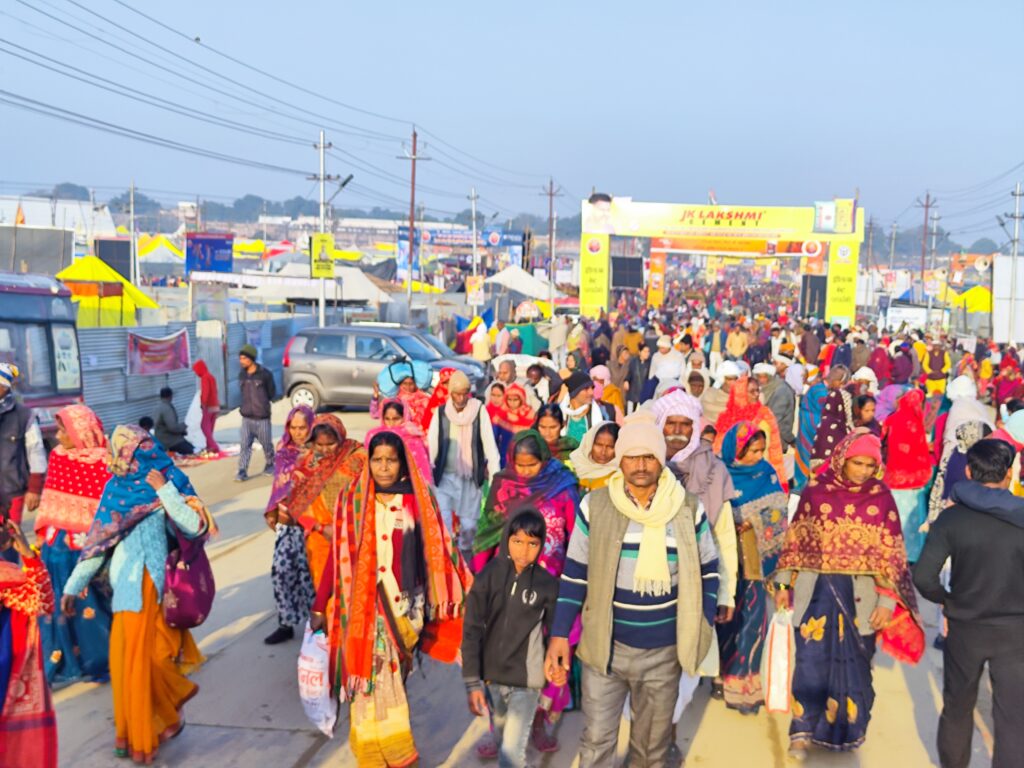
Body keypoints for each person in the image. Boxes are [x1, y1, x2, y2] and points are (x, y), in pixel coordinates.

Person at [545, 414, 719, 767]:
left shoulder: (686, 508)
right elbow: (576, 572)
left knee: (650, 750)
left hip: (664, 652)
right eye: (632, 457)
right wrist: (560, 633)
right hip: (605, 649)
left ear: (660, 459)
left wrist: (702, 622)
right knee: (596, 743)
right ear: (619, 460)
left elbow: (708, 570)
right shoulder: (596, 507)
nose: (640, 466)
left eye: (649, 457)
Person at [310, 429, 471, 768]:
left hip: (404, 611)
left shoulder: (418, 499)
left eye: (390, 460)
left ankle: (380, 749)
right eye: (377, 460)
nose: (383, 467)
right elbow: (335, 560)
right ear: (368, 462)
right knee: (373, 679)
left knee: (390, 679)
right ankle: (389, 752)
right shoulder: (352, 501)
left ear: (403, 463)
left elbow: (440, 551)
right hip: (362, 609)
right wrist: (318, 604)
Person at [62, 426, 209, 764]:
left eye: (143, 445)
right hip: (126, 592)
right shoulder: (115, 489)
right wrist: (73, 586)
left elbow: (194, 526)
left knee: (155, 660)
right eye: (131, 448)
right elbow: (98, 544)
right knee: (128, 666)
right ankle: (141, 732)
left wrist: (166, 491)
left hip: (158, 589)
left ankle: (168, 713)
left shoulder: (170, 480)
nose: (140, 453)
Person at [776, 429, 924, 760]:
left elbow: (893, 556)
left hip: (862, 596)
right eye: (857, 463)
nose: (863, 472)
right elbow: (796, 540)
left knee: (856, 664)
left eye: (871, 466)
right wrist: (784, 585)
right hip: (816, 591)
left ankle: (844, 730)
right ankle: (801, 730)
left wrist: (887, 602)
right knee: (810, 663)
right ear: (843, 460)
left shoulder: (881, 498)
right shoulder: (816, 492)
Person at [913, 439, 1024, 768]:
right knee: (1013, 716)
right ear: (1008, 473)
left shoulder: (952, 519)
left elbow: (923, 578)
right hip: (1016, 632)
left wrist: (947, 602)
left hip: (965, 626)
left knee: (958, 707)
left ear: (967, 470)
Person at [473, 430, 582, 750]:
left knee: (552, 658)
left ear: (544, 460)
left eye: (531, 465)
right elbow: (486, 535)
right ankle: (500, 728)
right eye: (519, 465)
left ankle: (540, 722)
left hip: (553, 589)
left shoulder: (562, 486)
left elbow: (577, 537)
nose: (524, 472)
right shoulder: (502, 485)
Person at [463, 508, 559, 768]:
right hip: (492, 677)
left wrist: (555, 669)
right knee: (503, 733)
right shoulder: (489, 576)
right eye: (517, 541)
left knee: (510, 754)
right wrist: (473, 682)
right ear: (506, 539)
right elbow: (471, 628)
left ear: (541, 545)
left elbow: (556, 635)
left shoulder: (547, 584)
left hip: (527, 681)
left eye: (532, 543)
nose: (524, 550)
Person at [33, 405, 112, 683]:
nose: (58, 436)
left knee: (91, 605)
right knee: (57, 604)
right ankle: (66, 657)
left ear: (81, 432)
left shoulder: (105, 462)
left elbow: (108, 511)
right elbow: (51, 500)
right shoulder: (58, 457)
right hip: (56, 548)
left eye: (63, 430)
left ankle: (99, 656)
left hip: (87, 550)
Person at [716, 422, 789, 713]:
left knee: (752, 621)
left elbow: (779, 511)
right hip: (726, 558)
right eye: (751, 451)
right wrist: (730, 522)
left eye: (761, 450)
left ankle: (745, 685)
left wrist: (753, 521)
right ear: (737, 449)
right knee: (725, 619)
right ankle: (720, 675)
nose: (758, 456)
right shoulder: (720, 474)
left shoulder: (767, 473)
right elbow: (710, 509)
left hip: (756, 560)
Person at [285, 414, 366, 592]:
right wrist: (320, 528)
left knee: (354, 585)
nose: (325, 449)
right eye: (319, 445)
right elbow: (295, 505)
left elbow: (365, 495)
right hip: (319, 536)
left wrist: (341, 528)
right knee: (324, 587)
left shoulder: (357, 457)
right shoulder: (305, 464)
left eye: (330, 444)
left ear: (341, 437)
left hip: (352, 531)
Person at [1, 519, 57, 768]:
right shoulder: (7, 574)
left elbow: (40, 602)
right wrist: (29, 557)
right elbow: (42, 602)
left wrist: (28, 557)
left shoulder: (7, 575)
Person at [428, 370, 502, 552]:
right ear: (450, 393)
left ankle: (464, 559)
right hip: (445, 477)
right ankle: (449, 562)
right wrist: (429, 476)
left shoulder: (478, 411)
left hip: (470, 479)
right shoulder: (440, 413)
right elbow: (432, 446)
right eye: (457, 394)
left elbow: (490, 447)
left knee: (469, 526)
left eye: (464, 394)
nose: (461, 398)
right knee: (444, 523)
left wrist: (495, 479)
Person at [262, 405, 316, 645]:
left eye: (302, 427)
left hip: (312, 524)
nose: (298, 432)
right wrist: (272, 510)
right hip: (287, 523)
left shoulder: (319, 452)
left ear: (311, 426)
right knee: (282, 572)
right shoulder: (284, 450)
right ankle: (285, 623)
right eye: (293, 427)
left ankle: (316, 624)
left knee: (310, 575)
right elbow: (279, 484)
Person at [882, 388, 935, 563]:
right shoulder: (915, 423)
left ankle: (890, 552)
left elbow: (883, 442)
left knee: (893, 517)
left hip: (894, 477)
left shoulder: (891, 420)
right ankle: (911, 555)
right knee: (912, 522)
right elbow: (920, 452)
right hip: (914, 482)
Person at [0, 367, 47, 538]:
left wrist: (34, 488)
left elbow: (36, 450)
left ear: (4, 387)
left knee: (8, 538)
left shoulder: (24, 415)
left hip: (12, 489)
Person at [714, 375, 786, 486]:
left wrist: (780, 480)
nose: (756, 395)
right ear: (741, 394)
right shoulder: (728, 418)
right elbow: (719, 449)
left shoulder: (765, 414)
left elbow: (775, 448)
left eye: (758, 390)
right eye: (752, 391)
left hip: (761, 472)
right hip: (734, 475)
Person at [236, 344, 276, 482]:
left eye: (244, 358)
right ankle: (242, 470)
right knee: (245, 445)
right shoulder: (242, 375)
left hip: (262, 418)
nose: (241, 361)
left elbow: (272, 393)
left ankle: (270, 464)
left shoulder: (265, 374)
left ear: (251, 359)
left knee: (266, 444)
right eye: (240, 358)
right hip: (246, 417)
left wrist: (262, 404)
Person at [810, 365, 854, 469]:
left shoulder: (830, 395)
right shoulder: (843, 395)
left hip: (821, 435)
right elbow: (848, 417)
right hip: (836, 437)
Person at [561, 372, 615, 444]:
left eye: (592, 388)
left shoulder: (601, 413)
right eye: (586, 389)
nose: (591, 392)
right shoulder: (562, 412)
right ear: (575, 393)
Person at [490, 384, 536, 465]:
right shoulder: (501, 415)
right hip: (504, 453)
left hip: (524, 454)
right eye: (509, 400)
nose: (512, 403)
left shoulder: (529, 413)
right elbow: (494, 437)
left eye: (515, 400)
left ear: (522, 399)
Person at [569, 421, 620, 494]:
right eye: (599, 445)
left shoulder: (620, 475)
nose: (603, 452)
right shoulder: (572, 465)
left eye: (610, 447)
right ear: (589, 443)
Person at [191, 359, 220, 455]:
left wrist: (203, 404)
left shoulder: (205, 378)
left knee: (204, 427)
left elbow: (205, 393)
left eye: (196, 370)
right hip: (215, 405)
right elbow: (215, 391)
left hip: (208, 406)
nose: (196, 373)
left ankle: (214, 446)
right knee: (210, 428)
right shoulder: (211, 376)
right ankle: (210, 446)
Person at [154, 387, 193, 455]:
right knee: (193, 451)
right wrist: (183, 427)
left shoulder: (158, 407)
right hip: (170, 440)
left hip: (160, 438)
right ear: (170, 396)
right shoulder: (167, 408)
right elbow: (172, 427)